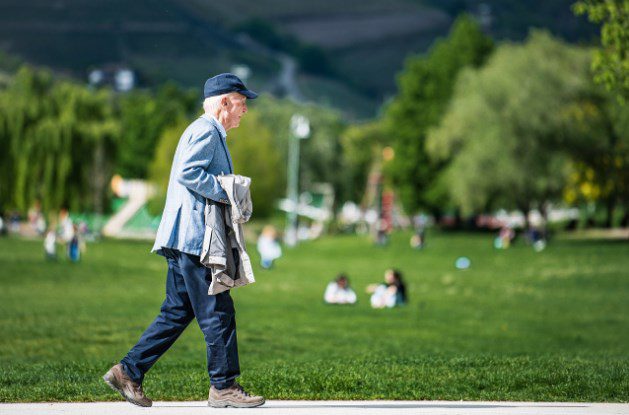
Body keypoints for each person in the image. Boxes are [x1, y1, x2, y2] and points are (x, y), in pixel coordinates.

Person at [103, 73, 264, 408]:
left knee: (177, 311)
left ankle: (128, 371)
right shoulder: (206, 131)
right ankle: (224, 387)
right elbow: (189, 172)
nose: (244, 110)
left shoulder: (206, 131)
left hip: (182, 237)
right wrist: (226, 191)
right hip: (195, 239)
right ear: (224, 102)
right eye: (241, 102)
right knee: (218, 310)